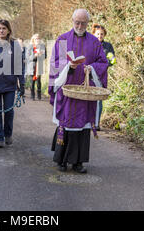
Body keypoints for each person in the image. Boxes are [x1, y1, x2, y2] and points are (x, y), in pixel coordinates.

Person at [49, 9, 108, 173]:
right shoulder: (62, 39)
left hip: (85, 92)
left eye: (83, 23)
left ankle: (78, 162)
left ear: (88, 23)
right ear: (72, 20)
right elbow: (55, 63)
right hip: (67, 91)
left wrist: (92, 68)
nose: (80, 26)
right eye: (77, 22)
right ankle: (61, 160)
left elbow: (103, 63)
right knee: (66, 123)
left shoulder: (95, 42)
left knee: (83, 126)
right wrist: (69, 66)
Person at [0, 19, 25, 148]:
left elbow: (19, 65)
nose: (1, 31)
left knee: (8, 111)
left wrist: (22, 84)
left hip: (9, 84)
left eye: (3, 28)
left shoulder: (14, 45)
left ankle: (8, 134)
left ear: (8, 30)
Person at [92, 24, 116, 130]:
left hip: (101, 76)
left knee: (98, 99)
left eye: (102, 34)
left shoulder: (108, 46)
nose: (100, 36)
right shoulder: (90, 44)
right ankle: (88, 122)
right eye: (97, 34)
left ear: (104, 35)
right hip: (89, 74)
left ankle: (96, 124)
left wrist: (107, 63)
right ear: (93, 34)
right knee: (88, 98)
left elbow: (112, 60)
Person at [26, 34, 47, 100]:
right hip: (32, 66)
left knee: (39, 81)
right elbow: (27, 57)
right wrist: (35, 55)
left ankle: (39, 96)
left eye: (38, 38)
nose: (37, 40)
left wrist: (41, 55)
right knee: (32, 82)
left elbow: (45, 56)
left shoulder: (42, 46)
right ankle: (32, 95)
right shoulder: (30, 47)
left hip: (39, 66)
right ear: (33, 40)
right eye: (36, 38)